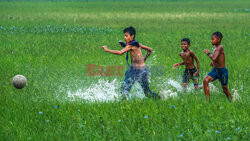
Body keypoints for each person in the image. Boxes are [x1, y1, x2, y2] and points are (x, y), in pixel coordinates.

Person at [102, 26, 160, 100]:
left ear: (132, 36)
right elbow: (150, 50)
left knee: (124, 91)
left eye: (126, 36)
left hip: (137, 72)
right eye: (124, 36)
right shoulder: (137, 44)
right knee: (147, 92)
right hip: (142, 70)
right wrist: (144, 59)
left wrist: (107, 50)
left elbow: (120, 52)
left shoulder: (131, 45)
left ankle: (125, 104)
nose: (124, 37)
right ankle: (160, 99)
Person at [203, 31, 232, 101]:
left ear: (218, 39)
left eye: (213, 39)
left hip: (222, 71)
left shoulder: (220, 47)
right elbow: (216, 59)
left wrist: (208, 53)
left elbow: (214, 58)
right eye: (211, 39)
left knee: (225, 89)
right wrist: (213, 63)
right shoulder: (215, 47)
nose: (211, 41)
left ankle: (232, 101)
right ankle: (207, 100)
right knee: (205, 80)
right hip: (215, 70)